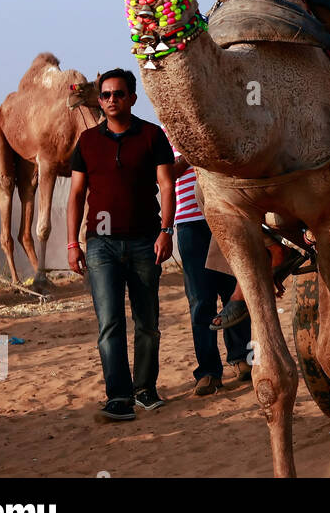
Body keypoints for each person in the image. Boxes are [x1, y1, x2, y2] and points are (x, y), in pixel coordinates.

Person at [66, 68, 175, 422]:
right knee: (110, 323)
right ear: (99, 101)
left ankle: (145, 389)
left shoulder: (151, 136)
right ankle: (118, 396)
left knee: (147, 321)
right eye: (106, 95)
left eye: (119, 94)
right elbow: (77, 195)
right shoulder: (86, 142)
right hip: (101, 245)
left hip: (146, 240)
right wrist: (72, 243)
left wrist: (166, 230)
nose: (112, 100)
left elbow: (166, 184)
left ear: (131, 97)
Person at [171, 147, 251, 396]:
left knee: (233, 292)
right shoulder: (164, 133)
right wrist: (189, 153)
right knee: (199, 299)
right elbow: (164, 174)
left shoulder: (212, 122)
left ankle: (242, 359)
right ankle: (208, 371)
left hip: (225, 214)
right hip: (190, 222)